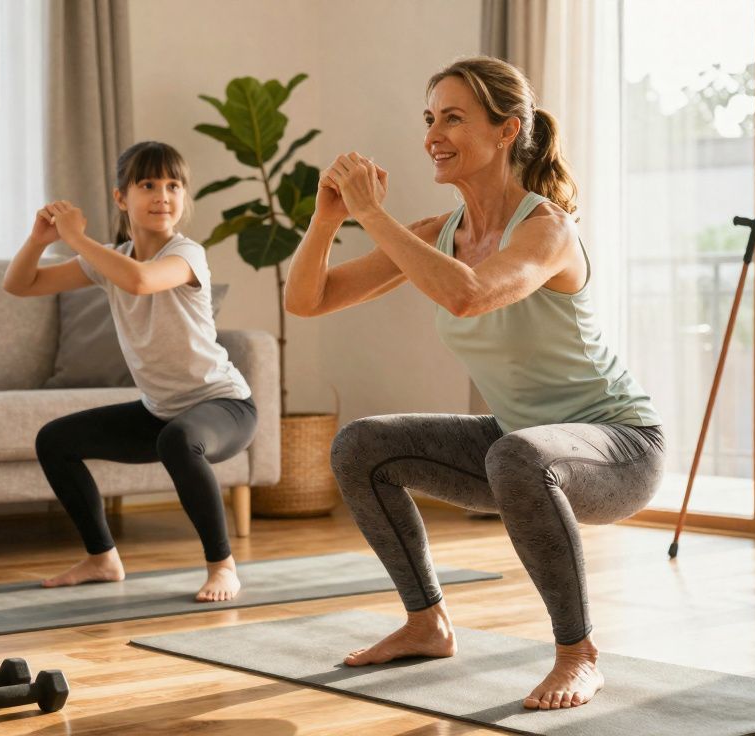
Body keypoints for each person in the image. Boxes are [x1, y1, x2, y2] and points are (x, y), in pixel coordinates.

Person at [284, 57, 665, 710]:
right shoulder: (439, 234)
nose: (433, 134)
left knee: (516, 454)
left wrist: (373, 214)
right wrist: (329, 220)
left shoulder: (548, 229)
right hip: (520, 444)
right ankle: (426, 622)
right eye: (430, 118)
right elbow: (308, 301)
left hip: (620, 446)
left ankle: (578, 655)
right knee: (360, 445)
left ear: (507, 130)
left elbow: (469, 296)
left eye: (454, 118)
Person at [4, 141, 255, 603]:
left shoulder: (187, 253)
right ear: (121, 197)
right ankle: (102, 559)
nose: (163, 196)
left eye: (173, 185)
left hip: (224, 407)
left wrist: (76, 238)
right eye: (148, 185)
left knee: (178, 439)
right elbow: (19, 284)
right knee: (55, 440)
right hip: (162, 413)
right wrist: (40, 240)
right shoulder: (110, 260)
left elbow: (140, 281)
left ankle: (223, 567)